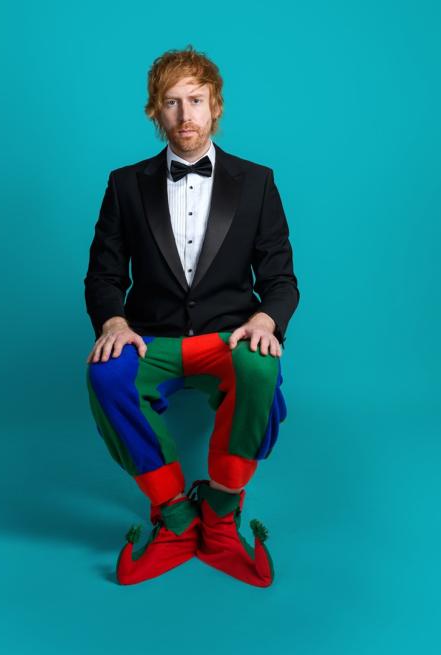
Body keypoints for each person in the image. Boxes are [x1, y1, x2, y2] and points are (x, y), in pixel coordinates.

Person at [84, 45, 300, 587]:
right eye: (171, 103)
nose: (186, 116)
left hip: (228, 338)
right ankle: (176, 517)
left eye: (196, 101)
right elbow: (104, 276)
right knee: (105, 373)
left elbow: (280, 280)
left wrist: (266, 321)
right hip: (151, 340)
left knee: (260, 368)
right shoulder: (124, 185)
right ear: (153, 112)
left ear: (217, 105)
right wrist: (113, 322)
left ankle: (222, 516)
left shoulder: (257, 182)